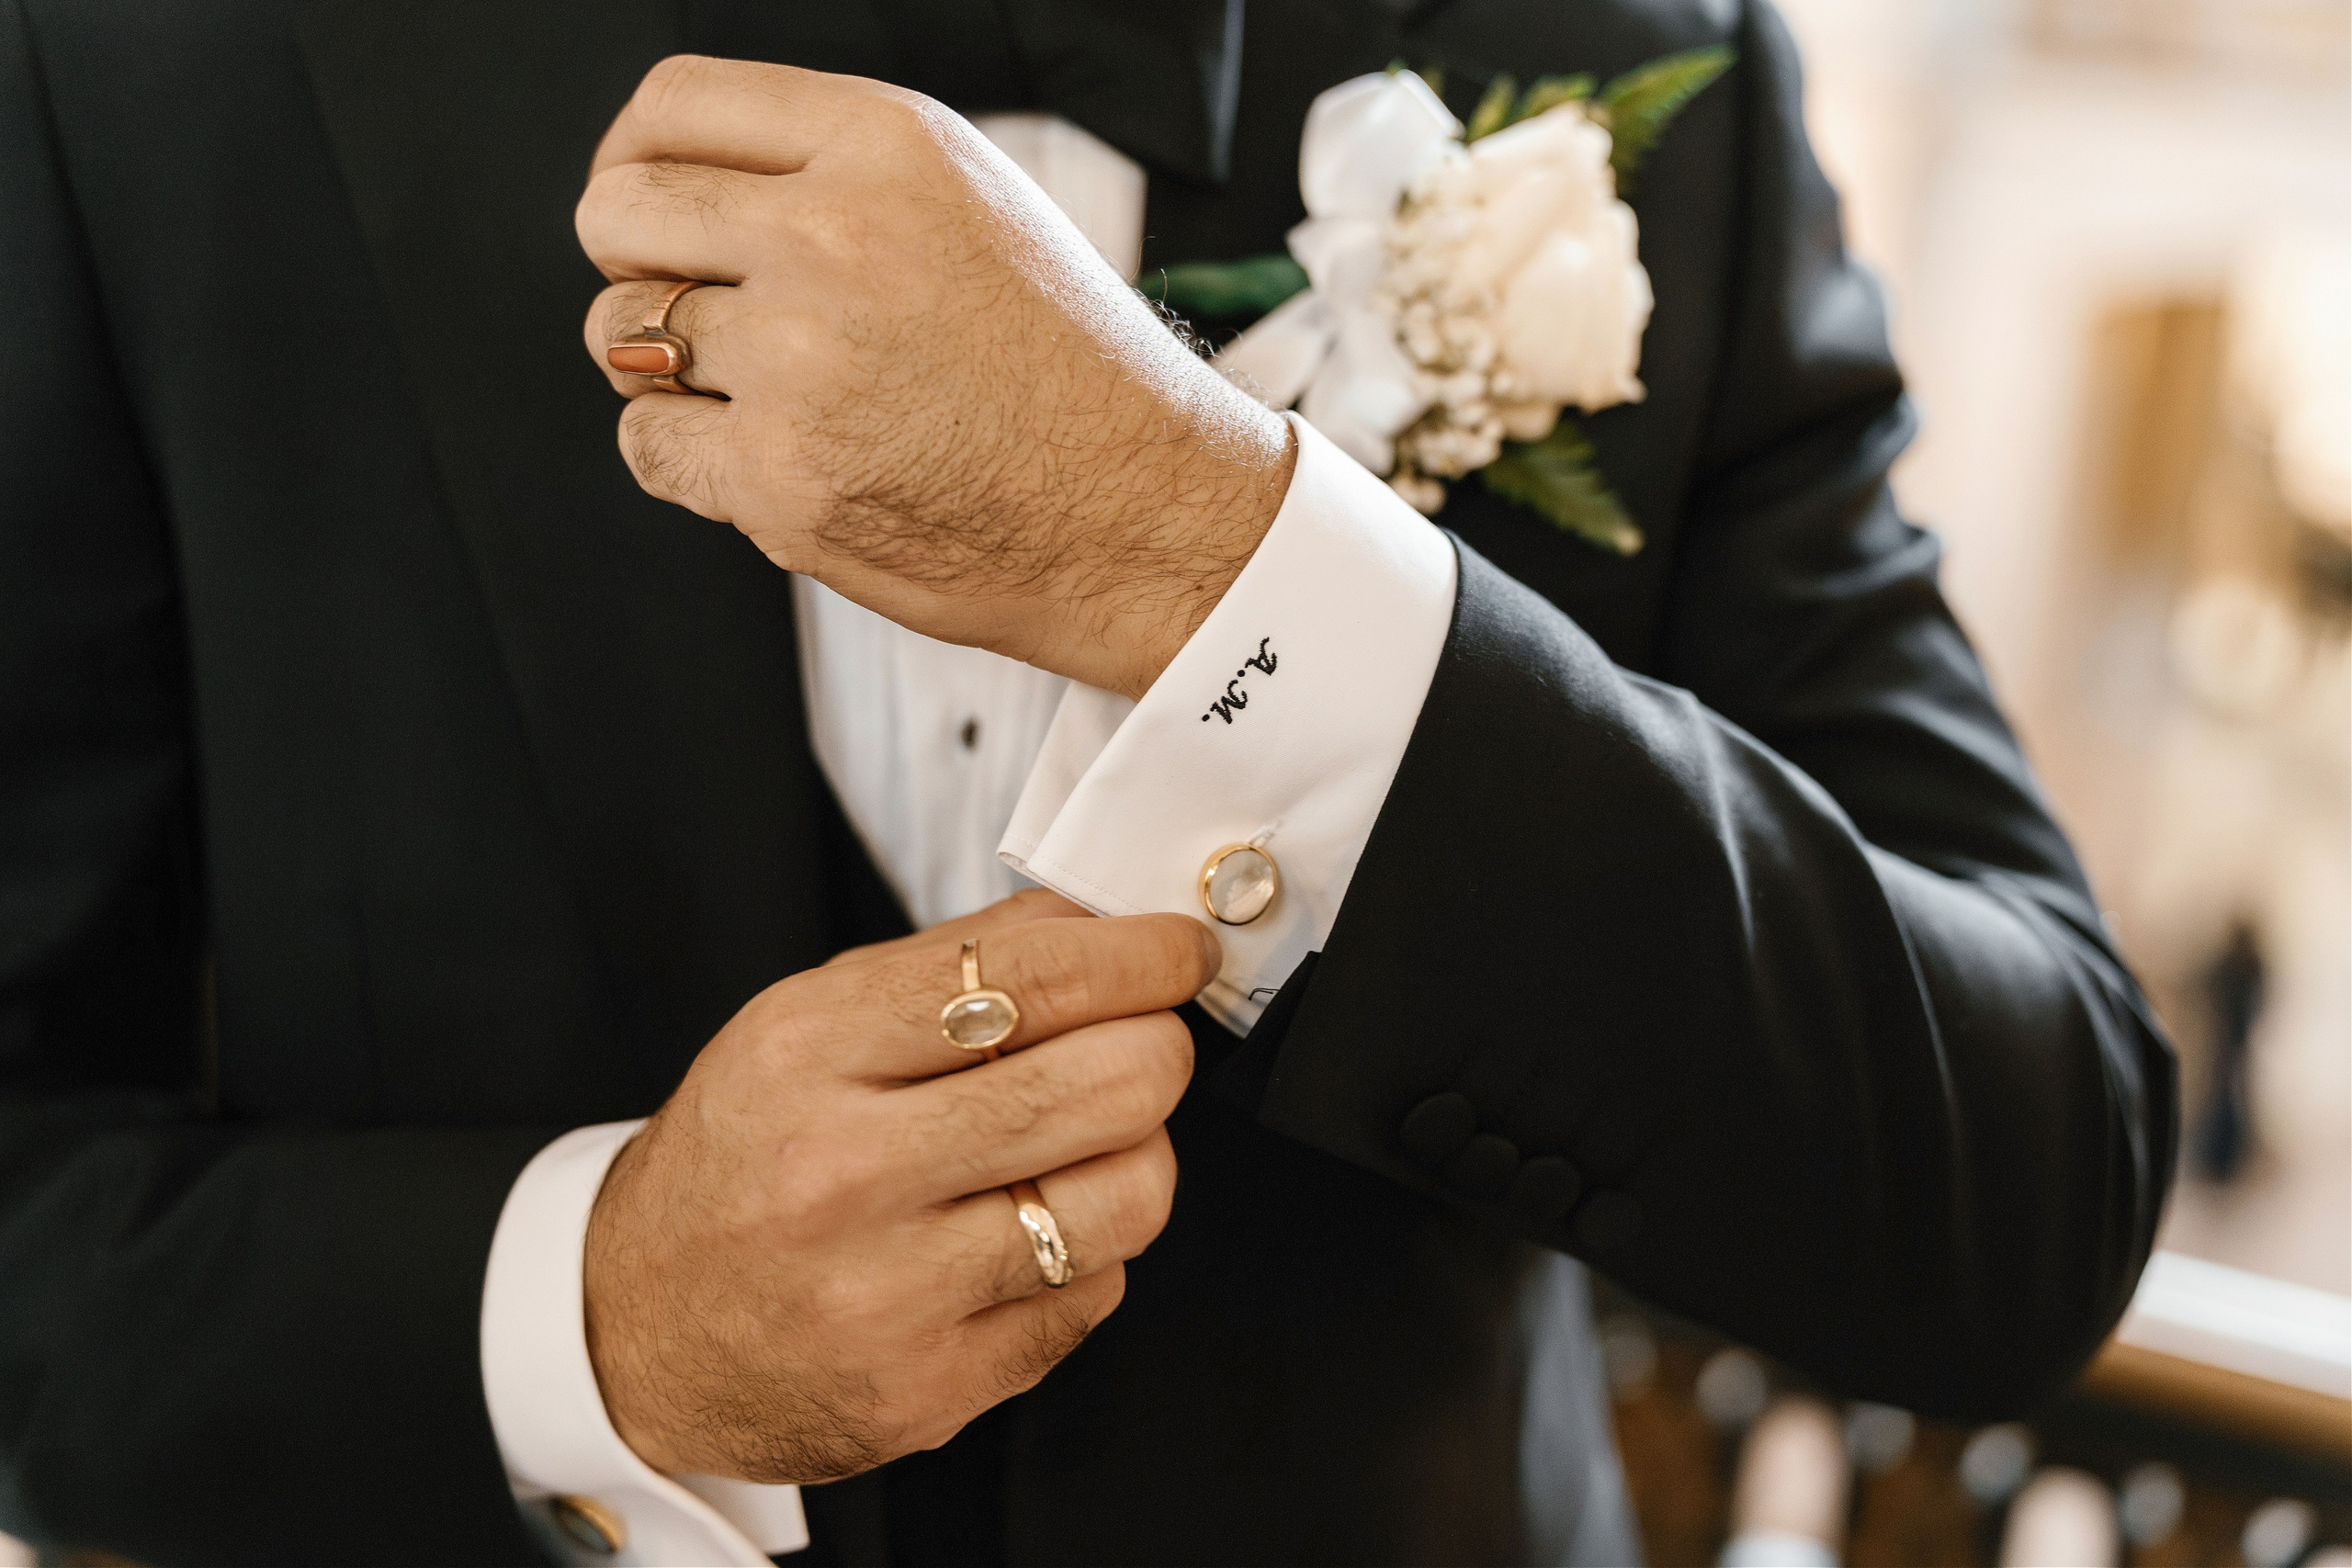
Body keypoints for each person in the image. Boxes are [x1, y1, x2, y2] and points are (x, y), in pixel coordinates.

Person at [0, 0, 2174, 1562]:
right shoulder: (138, 61)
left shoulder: (1647, 61)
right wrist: (599, 1312)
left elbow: (2032, 1167)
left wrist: (1199, 544)